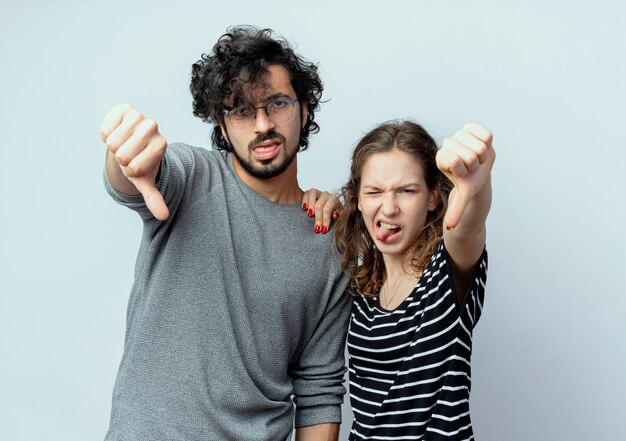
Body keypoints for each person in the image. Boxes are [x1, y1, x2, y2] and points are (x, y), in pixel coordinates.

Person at [99, 26, 351, 441]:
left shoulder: (330, 241)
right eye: (241, 110)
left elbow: (319, 390)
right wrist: (124, 157)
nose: (263, 124)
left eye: (278, 104)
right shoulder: (193, 177)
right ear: (222, 120)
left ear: (304, 109)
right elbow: (140, 178)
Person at [334, 120, 495, 440]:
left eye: (407, 191)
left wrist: (477, 183)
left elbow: (469, 227)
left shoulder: (444, 273)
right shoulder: (361, 289)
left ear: (434, 197)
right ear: (359, 200)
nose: (389, 207)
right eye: (374, 191)